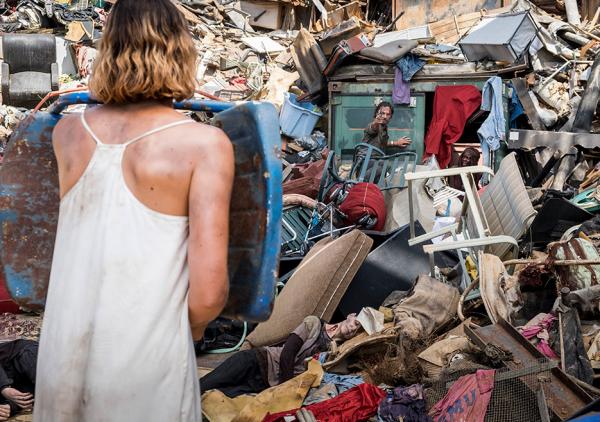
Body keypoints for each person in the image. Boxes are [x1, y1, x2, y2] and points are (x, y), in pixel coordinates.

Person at [33, 1, 234, 421]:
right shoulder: (204, 145)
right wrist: (188, 331)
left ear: (108, 50)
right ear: (180, 51)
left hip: (60, 361)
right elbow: (208, 293)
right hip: (146, 372)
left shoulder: (67, 132)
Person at [200, 315, 362, 397]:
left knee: (213, 398)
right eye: (356, 323)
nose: (353, 329)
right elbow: (287, 354)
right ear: (350, 315)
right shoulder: (314, 323)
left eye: (357, 330)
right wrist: (286, 389)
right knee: (202, 386)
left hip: (263, 384)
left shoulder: (334, 351)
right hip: (257, 361)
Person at [354, 102, 412, 178]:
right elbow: (373, 128)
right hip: (366, 161)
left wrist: (396, 143)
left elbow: (381, 143)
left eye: (388, 114)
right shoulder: (373, 126)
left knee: (384, 166)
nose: (385, 116)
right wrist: (376, 122)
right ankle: (362, 181)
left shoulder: (384, 128)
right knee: (384, 165)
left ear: (391, 116)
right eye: (382, 113)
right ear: (377, 114)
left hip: (375, 161)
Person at [0, 340, 37, 420]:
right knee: (45, 395)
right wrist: (9, 407)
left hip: (20, 354)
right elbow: (21, 399)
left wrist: (3, 387)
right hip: (23, 385)